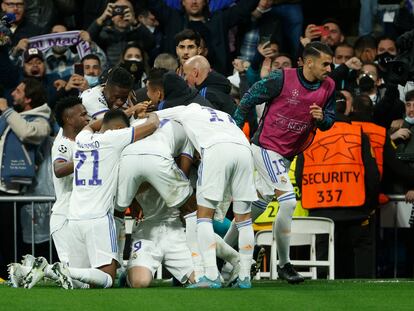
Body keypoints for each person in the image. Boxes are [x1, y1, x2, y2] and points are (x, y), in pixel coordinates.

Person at [232, 41, 336, 284]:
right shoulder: (281, 78)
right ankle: (284, 264)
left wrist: (322, 120)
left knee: (256, 204)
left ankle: (223, 251)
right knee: (288, 202)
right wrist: (235, 130)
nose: (330, 69)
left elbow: (330, 118)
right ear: (309, 62)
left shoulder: (329, 86)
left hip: (288, 153)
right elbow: (249, 98)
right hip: (266, 146)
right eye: (326, 64)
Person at [155, 103, 258, 289]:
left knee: (203, 218)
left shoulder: (187, 109)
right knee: (244, 220)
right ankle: (244, 277)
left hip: (216, 149)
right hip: (244, 149)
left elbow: (154, 117)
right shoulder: (224, 114)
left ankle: (211, 275)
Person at [63, 109, 159, 289]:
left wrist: (114, 116)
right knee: (107, 279)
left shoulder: (82, 139)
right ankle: (64, 270)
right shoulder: (113, 139)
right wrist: (150, 114)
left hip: (74, 218)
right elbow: (153, 125)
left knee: (78, 285)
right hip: (98, 218)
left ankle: (51, 271)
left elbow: (92, 125)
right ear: (116, 129)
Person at [18, 96, 90, 289]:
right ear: (68, 119)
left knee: (84, 276)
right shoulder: (62, 143)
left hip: (79, 215)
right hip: (64, 216)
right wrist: (89, 160)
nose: (87, 117)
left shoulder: (83, 140)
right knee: (77, 282)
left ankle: (37, 269)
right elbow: (59, 169)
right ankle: (40, 269)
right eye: (82, 114)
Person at [0, 77, 50, 279]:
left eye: (18, 91)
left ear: (28, 98)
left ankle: (13, 275)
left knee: (8, 238)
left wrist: (6, 110)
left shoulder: (41, 120)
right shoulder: (13, 117)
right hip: (3, 187)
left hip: (13, 190)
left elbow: (29, 133)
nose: (12, 94)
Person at [148, 0, 259, 74]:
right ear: (183, 2)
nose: (194, 2)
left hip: (215, 76)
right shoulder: (173, 19)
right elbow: (153, 3)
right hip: (176, 77)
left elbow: (244, 8)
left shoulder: (219, 19)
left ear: (206, 1)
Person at [87, 0, 155, 66]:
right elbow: (87, 39)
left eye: (126, 11)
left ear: (133, 15)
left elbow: (151, 43)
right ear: (112, 16)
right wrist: (102, 18)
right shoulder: (105, 34)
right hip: (110, 73)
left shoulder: (139, 33)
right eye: (118, 10)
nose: (122, 15)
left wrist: (135, 22)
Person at [145, 68, 212, 110]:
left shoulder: (168, 112)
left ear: (158, 94)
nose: (147, 93)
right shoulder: (194, 94)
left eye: (148, 90)